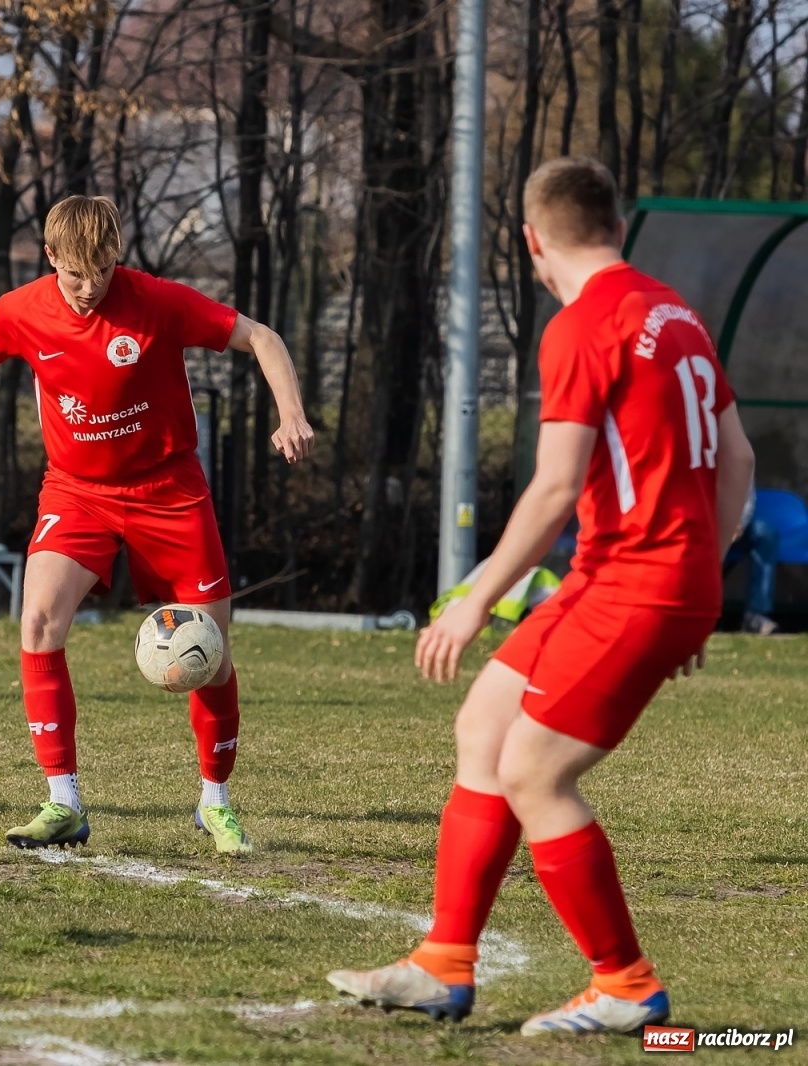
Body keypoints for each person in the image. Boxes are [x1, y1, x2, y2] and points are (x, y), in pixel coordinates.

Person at [328, 158, 754, 1036]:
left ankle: (626, 984)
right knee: (485, 727)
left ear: (530, 241)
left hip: (635, 581)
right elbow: (739, 463)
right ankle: (442, 965)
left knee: (533, 770)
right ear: (619, 227)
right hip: (631, 576)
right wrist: (704, 579)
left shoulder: (582, 325)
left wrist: (474, 600)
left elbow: (554, 488)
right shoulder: (678, 316)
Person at [0, 195, 313, 854]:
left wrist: (290, 413)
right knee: (39, 619)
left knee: (212, 651)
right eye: (76, 275)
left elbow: (261, 337)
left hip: (170, 491)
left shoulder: (155, 301)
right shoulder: (21, 310)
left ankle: (214, 802)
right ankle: (63, 802)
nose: (89, 288)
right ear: (50, 258)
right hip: (77, 494)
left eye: (101, 272)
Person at [737, 484, 780, 634]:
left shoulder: (741, 459)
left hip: (736, 523)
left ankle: (755, 616)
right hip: (701, 522)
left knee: (765, 534)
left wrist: (738, 523)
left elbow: (746, 493)